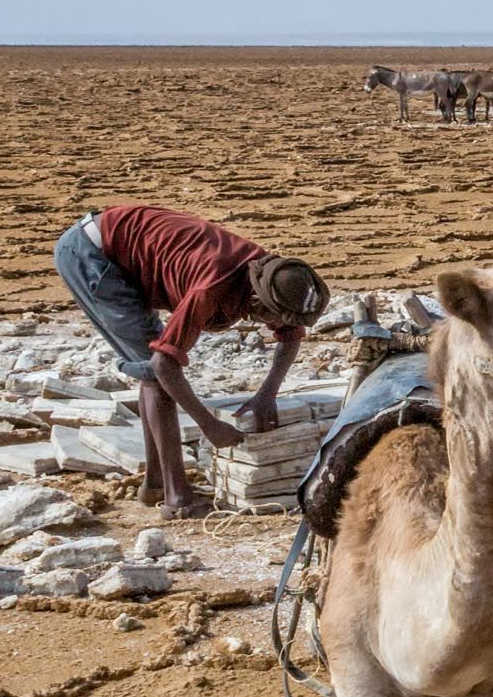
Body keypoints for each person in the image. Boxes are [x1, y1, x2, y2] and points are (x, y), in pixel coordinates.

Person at [53, 204, 327, 517]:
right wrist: (208, 425)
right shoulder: (211, 287)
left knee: (149, 369)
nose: (285, 325)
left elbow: (291, 335)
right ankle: (176, 498)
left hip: (124, 244)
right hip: (92, 255)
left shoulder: (273, 276)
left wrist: (267, 394)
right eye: (280, 318)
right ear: (257, 303)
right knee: (154, 372)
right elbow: (163, 364)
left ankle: (155, 483)